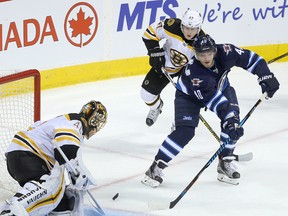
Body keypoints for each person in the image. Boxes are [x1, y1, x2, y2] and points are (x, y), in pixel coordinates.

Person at [141, 34, 280, 187]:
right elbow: (218, 103)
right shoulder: (195, 73)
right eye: (201, 54)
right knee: (185, 132)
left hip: (221, 87)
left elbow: (251, 58)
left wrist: (265, 76)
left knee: (232, 118)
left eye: (209, 53)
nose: (206, 58)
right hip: (188, 97)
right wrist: (231, 122)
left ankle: (225, 162)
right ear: (196, 54)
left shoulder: (226, 51)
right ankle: (155, 168)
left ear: (215, 51)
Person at [0, 100, 108, 215]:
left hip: (19, 156)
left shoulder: (63, 120)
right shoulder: (76, 123)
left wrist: (75, 177)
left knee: (60, 204)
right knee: (51, 190)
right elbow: (66, 151)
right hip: (30, 155)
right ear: (93, 120)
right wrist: (78, 174)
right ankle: (10, 210)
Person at [141, 8, 206, 126]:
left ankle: (179, 124)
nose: (189, 32)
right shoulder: (172, 26)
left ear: (199, 28)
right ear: (182, 24)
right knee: (146, 94)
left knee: (187, 101)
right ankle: (157, 107)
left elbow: (206, 66)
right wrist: (155, 51)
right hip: (165, 66)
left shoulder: (202, 42)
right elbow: (149, 33)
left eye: (193, 29)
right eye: (186, 27)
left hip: (187, 71)